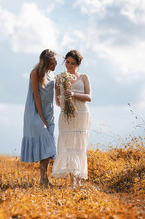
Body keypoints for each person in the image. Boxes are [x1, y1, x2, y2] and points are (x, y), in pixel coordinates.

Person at [51, 50, 92, 188]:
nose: (69, 66)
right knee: (67, 144)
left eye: (73, 64)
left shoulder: (84, 77)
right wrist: (65, 101)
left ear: (78, 64)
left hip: (81, 113)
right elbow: (57, 100)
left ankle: (78, 177)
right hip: (66, 114)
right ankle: (71, 179)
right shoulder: (60, 78)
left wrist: (73, 94)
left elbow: (89, 97)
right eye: (67, 62)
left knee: (79, 145)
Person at [20, 49, 58, 186]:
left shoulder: (52, 73)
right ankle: (44, 179)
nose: (55, 66)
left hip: (49, 112)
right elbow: (36, 96)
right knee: (45, 143)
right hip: (35, 112)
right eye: (52, 63)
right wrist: (41, 117)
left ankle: (44, 179)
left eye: (55, 62)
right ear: (45, 63)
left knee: (47, 148)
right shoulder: (35, 73)